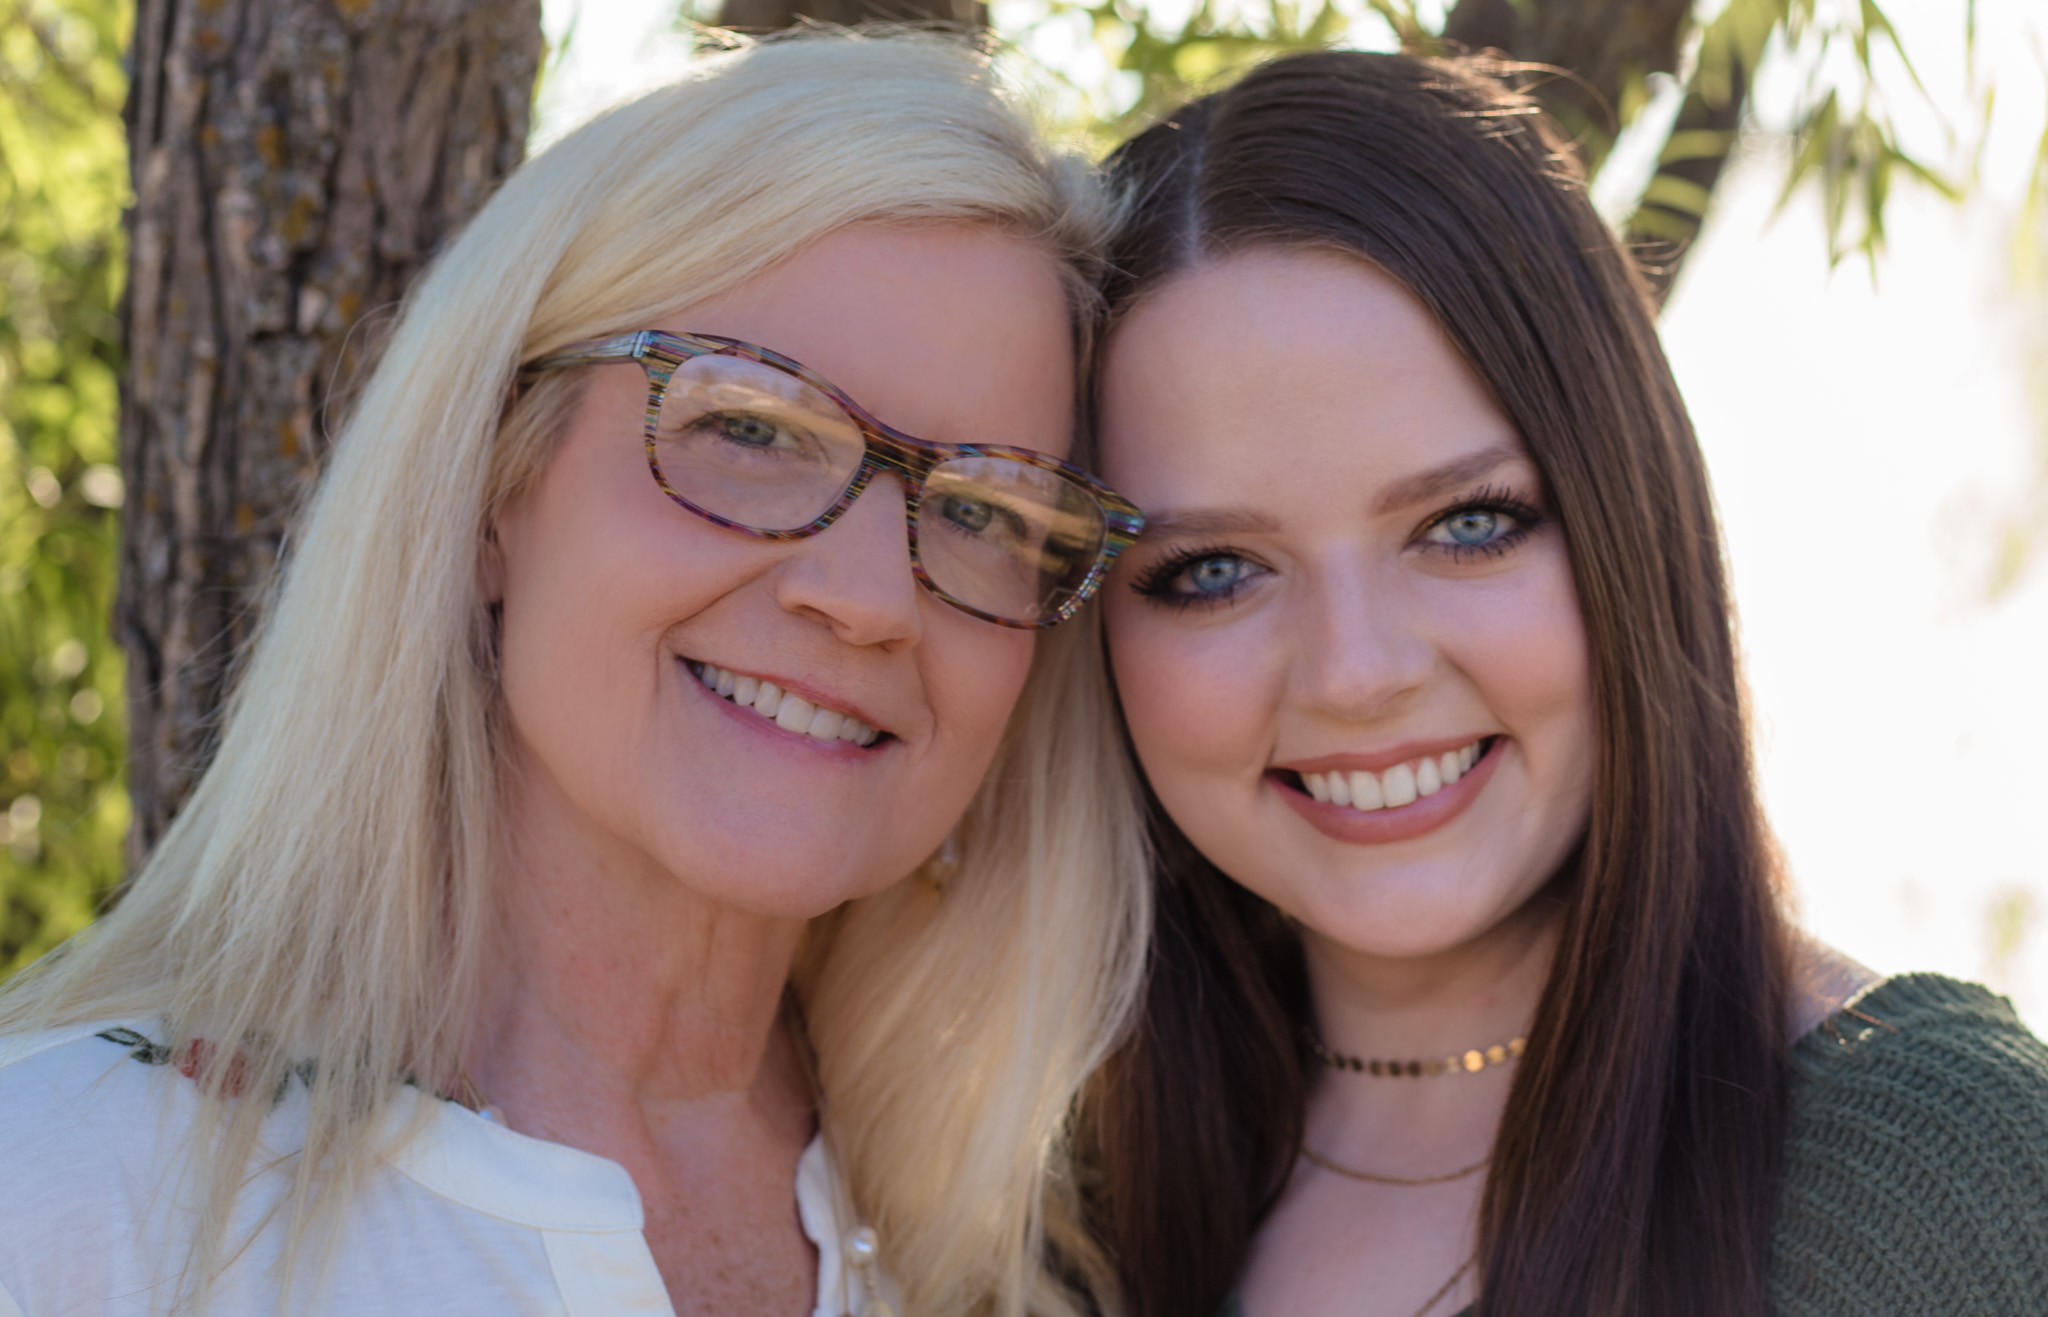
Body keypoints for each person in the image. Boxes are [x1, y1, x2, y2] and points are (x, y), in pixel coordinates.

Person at [0, 32, 1151, 1317]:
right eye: (753, 428)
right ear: (495, 482)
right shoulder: (70, 1203)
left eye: (987, 512)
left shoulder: (1000, 1264)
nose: (872, 597)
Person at [1077, 49, 2048, 1317]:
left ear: (1629, 519)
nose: (1356, 673)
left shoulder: (1936, 1178)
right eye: (1211, 571)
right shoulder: (1028, 1204)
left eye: (1466, 525)